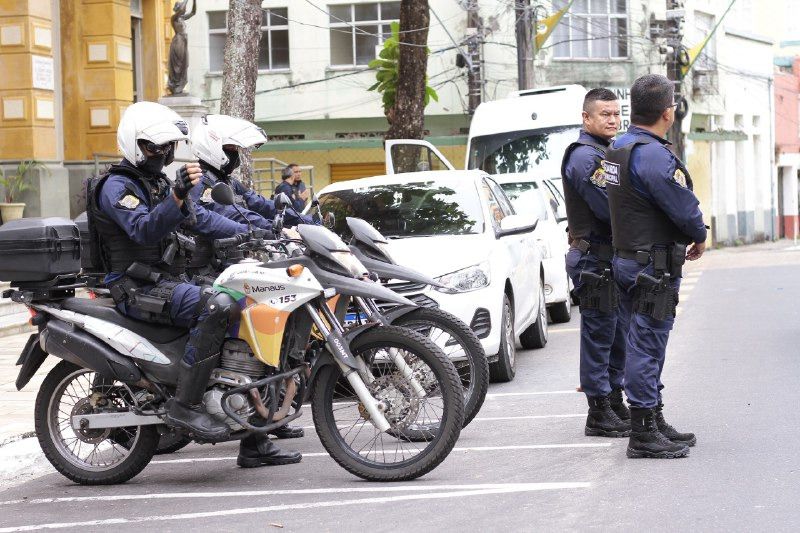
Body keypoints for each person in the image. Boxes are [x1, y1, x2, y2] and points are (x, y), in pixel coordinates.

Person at [87, 102, 301, 466]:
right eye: (155, 147)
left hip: (168, 280)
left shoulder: (157, 182)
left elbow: (202, 219)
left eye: (168, 147)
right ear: (133, 143)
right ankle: (185, 406)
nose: (163, 154)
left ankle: (253, 437)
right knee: (217, 305)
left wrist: (260, 233)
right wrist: (176, 196)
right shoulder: (117, 186)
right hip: (136, 287)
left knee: (250, 304)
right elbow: (143, 228)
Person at [190, 113, 309, 445]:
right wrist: (262, 229)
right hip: (212, 272)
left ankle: (273, 415)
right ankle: (255, 435)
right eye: (230, 148)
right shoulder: (202, 184)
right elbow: (224, 218)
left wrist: (308, 223)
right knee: (253, 343)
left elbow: (261, 205)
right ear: (213, 148)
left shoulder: (227, 181)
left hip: (241, 265)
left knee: (278, 334)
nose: (235, 155)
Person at [605, 74, 706, 459]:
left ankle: (653, 418)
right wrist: (699, 234)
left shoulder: (620, 147)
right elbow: (681, 206)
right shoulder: (651, 154)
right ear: (668, 112)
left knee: (641, 343)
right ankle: (643, 432)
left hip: (629, 260)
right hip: (652, 267)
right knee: (647, 346)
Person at [561, 88, 630, 439]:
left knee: (617, 334)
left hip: (608, 259)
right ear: (586, 118)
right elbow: (609, 208)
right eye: (605, 114)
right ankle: (598, 411)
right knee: (599, 335)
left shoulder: (605, 152)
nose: (613, 120)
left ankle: (614, 400)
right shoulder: (585, 159)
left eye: (616, 113)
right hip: (593, 258)